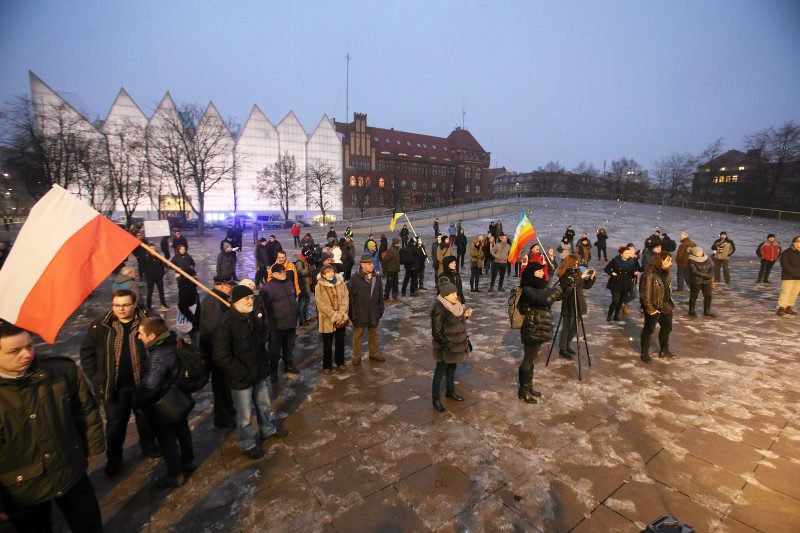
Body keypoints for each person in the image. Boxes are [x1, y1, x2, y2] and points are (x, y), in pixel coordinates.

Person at [0, 323, 105, 533]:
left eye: (29, 346)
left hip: (71, 471)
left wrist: (91, 448)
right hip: (23, 490)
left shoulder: (60, 370)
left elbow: (85, 410)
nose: (27, 354)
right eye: (15, 351)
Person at [79, 289, 159, 476]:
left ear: (134, 304)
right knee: (115, 425)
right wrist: (97, 377)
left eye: (125, 305)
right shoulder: (101, 326)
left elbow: (163, 346)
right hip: (114, 387)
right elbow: (86, 353)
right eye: (116, 305)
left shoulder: (148, 322)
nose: (120, 309)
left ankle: (149, 447)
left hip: (142, 384)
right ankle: (114, 459)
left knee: (145, 420)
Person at [214, 285, 287, 459]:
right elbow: (220, 355)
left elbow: (261, 343)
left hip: (259, 372)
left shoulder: (252, 317)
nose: (250, 301)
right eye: (246, 298)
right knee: (245, 415)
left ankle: (267, 429)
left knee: (264, 405)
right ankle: (246, 443)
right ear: (236, 301)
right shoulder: (226, 323)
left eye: (252, 298)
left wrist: (266, 364)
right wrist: (240, 372)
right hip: (241, 378)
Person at [133, 317, 194, 488]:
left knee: (167, 440)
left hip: (164, 404)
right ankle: (188, 462)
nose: (139, 337)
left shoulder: (158, 356)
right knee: (183, 431)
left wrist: (136, 402)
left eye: (141, 334)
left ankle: (175, 474)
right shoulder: (171, 342)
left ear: (152, 335)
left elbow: (150, 386)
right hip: (178, 398)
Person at [518, 262, 563, 403]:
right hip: (531, 328)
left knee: (532, 359)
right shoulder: (527, 289)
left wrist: (569, 282)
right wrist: (558, 289)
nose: (542, 274)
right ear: (531, 273)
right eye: (539, 272)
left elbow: (556, 295)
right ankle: (523, 391)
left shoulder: (538, 287)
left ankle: (529, 387)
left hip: (538, 327)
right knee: (528, 359)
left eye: (542, 271)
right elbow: (544, 300)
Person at [198, 276, 236, 427]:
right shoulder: (214, 302)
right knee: (220, 385)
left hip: (217, 351)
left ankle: (228, 408)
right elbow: (218, 331)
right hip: (216, 352)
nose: (231, 288)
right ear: (220, 286)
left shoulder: (219, 299)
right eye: (229, 285)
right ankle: (221, 417)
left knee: (224, 383)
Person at [430, 280, 473, 412]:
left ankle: (450, 391)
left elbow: (456, 322)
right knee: (439, 373)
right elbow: (436, 332)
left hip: (455, 346)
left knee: (452, 369)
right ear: (445, 295)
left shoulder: (456, 305)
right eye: (453, 293)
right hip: (445, 347)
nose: (456, 295)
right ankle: (435, 399)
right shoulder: (439, 307)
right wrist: (447, 344)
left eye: (456, 292)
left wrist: (465, 316)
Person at [261, 264, 300, 380]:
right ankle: (273, 373)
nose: (283, 274)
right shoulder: (267, 288)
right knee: (274, 352)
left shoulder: (289, 283)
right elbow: (264, 308)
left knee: (289, 348)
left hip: (291, 323)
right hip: (276, 326)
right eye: (280, 272)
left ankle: (288, 365)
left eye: (284, 272)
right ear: (273, 274)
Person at [348, 254, 385, 364]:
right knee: (358, 334)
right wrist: (353, 314)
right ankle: (357, 356)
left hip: (373, 311)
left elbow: (380, 295)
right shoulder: (354, 278)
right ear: (362, 265)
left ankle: (373, 353)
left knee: (373, 333)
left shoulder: (376, 277)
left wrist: (380, 310)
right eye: (369, 264)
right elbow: (351, 299)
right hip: (360, 312)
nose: (372, 266)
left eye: (372, 263)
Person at [556, 254, 596, 358]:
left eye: (578, 263)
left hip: (579, 302)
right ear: (570, 263)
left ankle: (567, 344)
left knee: (575, 328)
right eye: (576, 263)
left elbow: (585, 285)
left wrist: (591, 278)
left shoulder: (577, 272)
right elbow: (571, 284)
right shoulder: (564, 274)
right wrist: (582, 276)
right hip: (569, 304)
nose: (578, 264)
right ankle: (562, 348)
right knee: (566, 327)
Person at [640, 252, 676, 362]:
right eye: (668, 260)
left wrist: (670, 303)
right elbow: (645, 294)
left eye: (671, 260)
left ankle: (664, 350)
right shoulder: (649, 274)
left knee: (667, 328)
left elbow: (667, 290)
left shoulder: (667, 273)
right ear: (660, 260)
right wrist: (650, 309)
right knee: (649, 329)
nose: (671, 263)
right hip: (654, 307)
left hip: (666, 306)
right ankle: (644, 353)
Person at [315, 265, 350, 374]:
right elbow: (320, 304)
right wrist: (333, 315)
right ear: (323, 275)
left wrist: (340, 314)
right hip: (327, 320)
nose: (330, 274)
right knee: (327, 344)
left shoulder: (341, 283)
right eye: (327, 272)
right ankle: (327, 365)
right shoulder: (319, 287)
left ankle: (340, 362)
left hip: (340, 318)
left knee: (340, 342)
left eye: (332, 272)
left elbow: (346, 298)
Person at [604, 246, 639, 322]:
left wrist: (635, 273)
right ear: (621, 253)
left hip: (626, 283)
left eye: (629, 253)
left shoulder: (632, 261)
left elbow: (633, 272)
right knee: (615, 301)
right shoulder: (615, 260)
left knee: (621, 301)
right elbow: (606, 269)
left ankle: (616, 315)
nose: (628, 254)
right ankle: (610, 314)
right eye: (626, 253)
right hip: (615, 283)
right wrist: (611, 273)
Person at [687, 246, 714, 317]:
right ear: (694, 253)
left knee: (708, 296)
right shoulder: (691, 260)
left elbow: (711, 267)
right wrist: (706, 276)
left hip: (707, 281)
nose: (700, 253)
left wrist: (710, 274)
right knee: (694, 296)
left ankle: (707, 311)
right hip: (696, 281)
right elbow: (694, 271)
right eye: (698, 252)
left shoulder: (707, 258)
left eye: (701, 251)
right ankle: (691, 310)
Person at [777, 235, 800, 316]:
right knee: (786, 292)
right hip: (788, 276)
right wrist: (795, 273)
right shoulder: (787, 252)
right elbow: (784, 265)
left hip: (799, 278)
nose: (799, 244)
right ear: (794, 243)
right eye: (798, 242)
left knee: (794, 293)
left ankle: (788, 307)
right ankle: (781, 308)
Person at [295, 251, 313, 325]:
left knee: (306, 302)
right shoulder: (300, 263)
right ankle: (301, 320)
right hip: (302, 286)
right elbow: (301, 273)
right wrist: (307, 267)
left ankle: (306, 318)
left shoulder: (304, 261)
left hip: (306, 285)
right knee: (302, 303)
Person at [382, 237, 401, 301]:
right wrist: (384, 268)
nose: (399, 244)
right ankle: (386, 296)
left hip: (395, 269)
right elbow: (385, 260)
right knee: (389, 283)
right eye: (398, 243)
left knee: (395, 283)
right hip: (390, 270)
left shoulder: (396, 249)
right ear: (395, 243)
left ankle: (395, 296)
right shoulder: (391, 250)